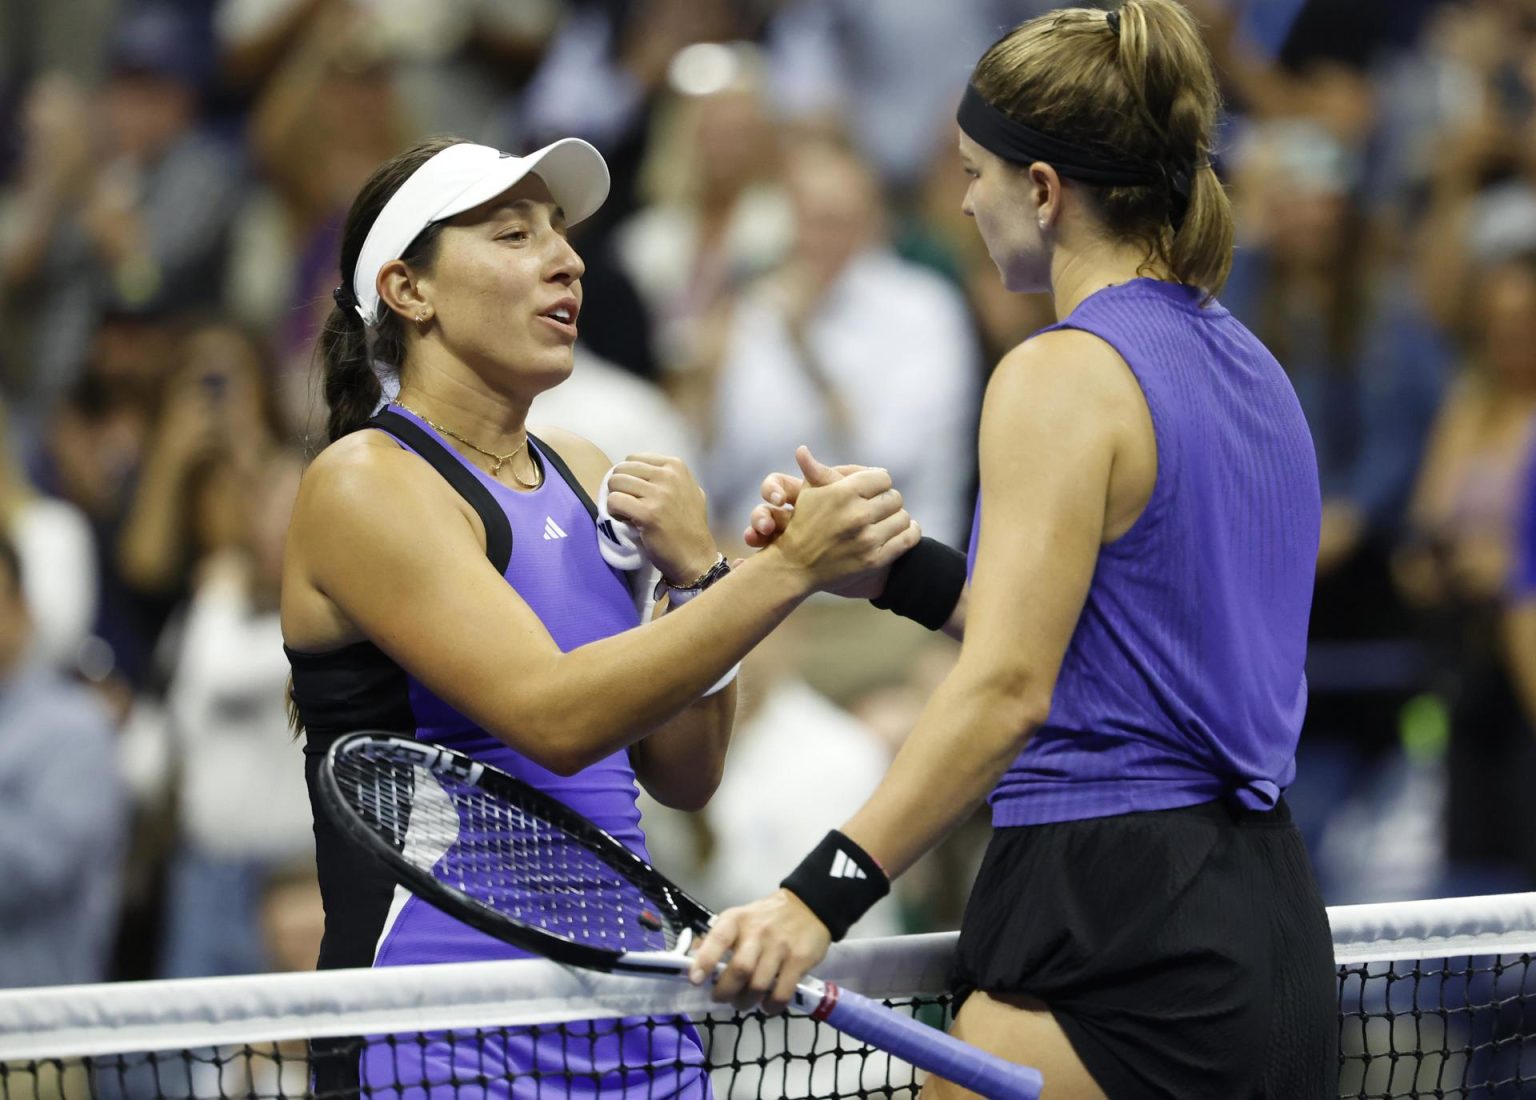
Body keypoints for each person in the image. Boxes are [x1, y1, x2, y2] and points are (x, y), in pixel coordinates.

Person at [690, 3, 1338, 1097]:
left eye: (973, 171)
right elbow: (1119, 638)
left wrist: (814, 897)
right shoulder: (1253, 371)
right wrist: (894, 573)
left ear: (1042, 190)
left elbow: (1007, 686)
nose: (961, 201)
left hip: (1110, 922)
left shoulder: (1058, 373)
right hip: (1268, 929)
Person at [280, 135, 918, 1097]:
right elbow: (558, 718)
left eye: (562, 233)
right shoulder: (365, 482)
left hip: (636, 1019)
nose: (565, 259)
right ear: (411, 293)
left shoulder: (584, 468)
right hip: (445, 1029)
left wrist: (703, 576)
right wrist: (783, 571)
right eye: (512, 234)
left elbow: (686, 773)